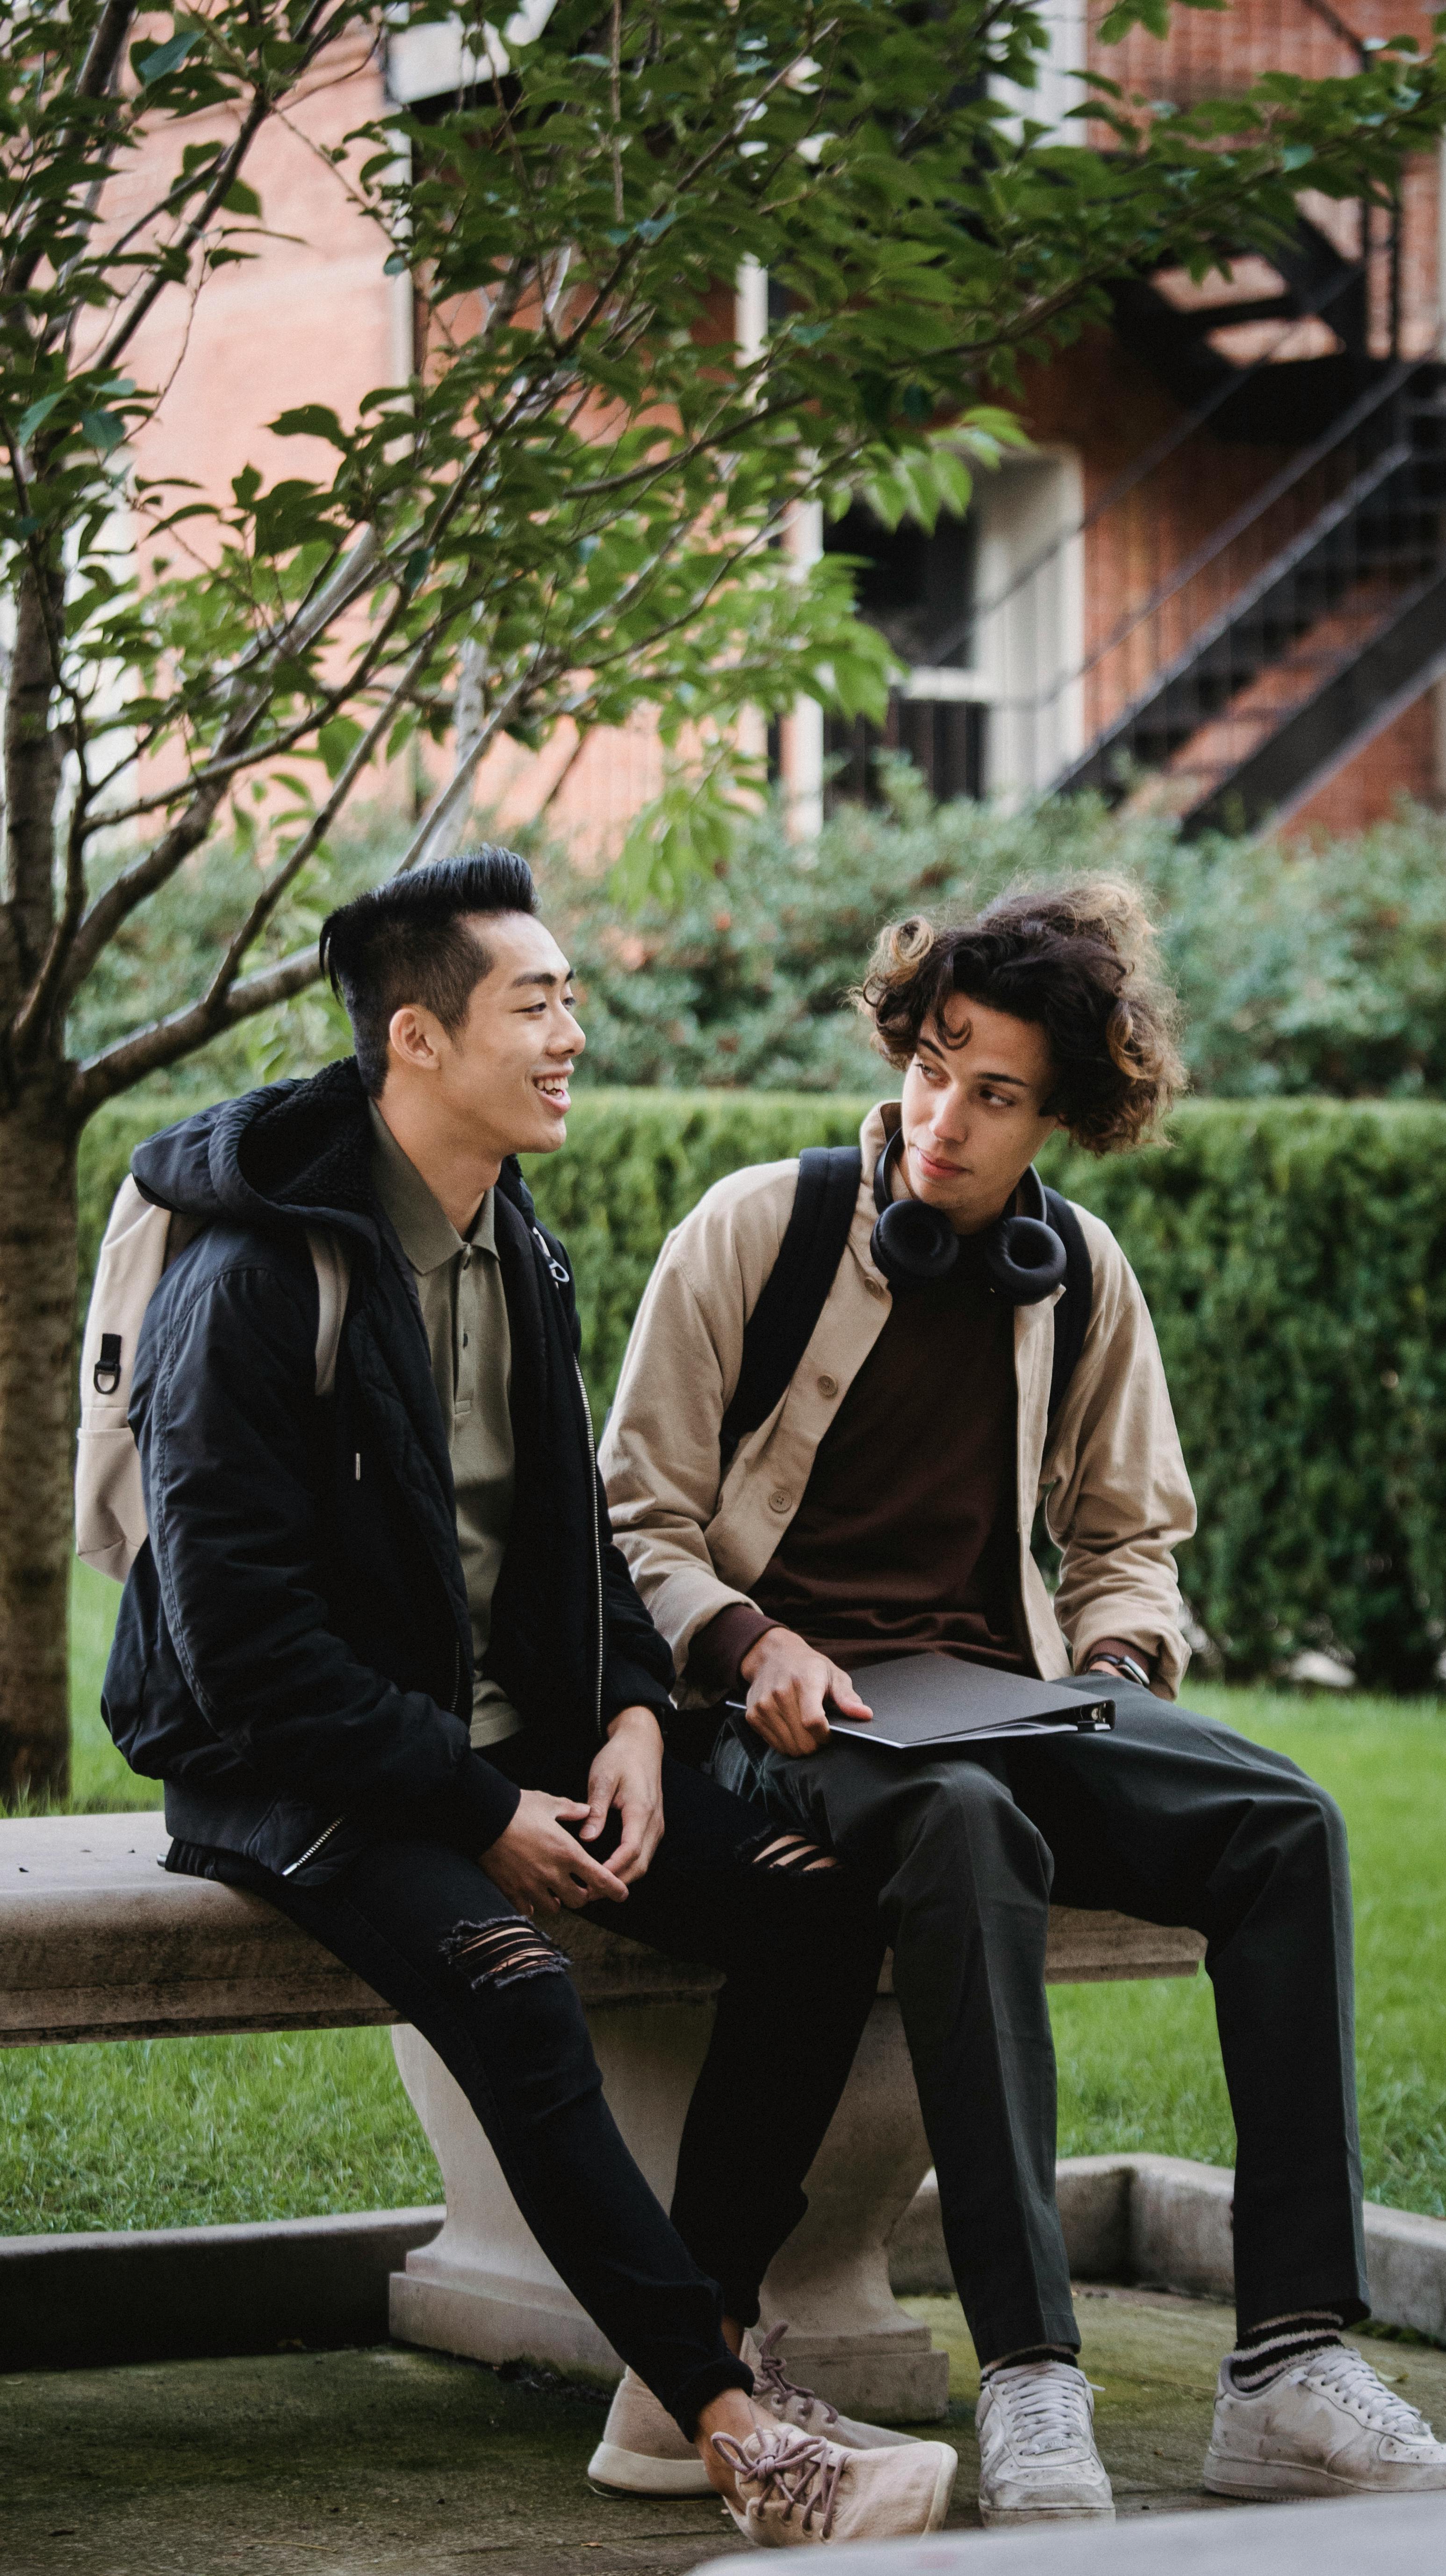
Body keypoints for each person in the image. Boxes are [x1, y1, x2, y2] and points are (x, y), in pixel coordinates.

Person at [598, 882, 1446, 2524]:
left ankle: (1286, 2364)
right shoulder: (756, 1229)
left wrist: (1111, 1679)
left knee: (1282, 1823)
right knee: (959, 1824)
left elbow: (1127, 1538)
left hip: (1006, 1704)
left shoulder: (1075, 1272)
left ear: (1060, 1117)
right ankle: (1030, 2371)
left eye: (995, 1093)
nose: (941, 1120)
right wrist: (748, 1644)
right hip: (788, 1728)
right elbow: (634, 1517)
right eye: (929, 1067)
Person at [100, 847, 958, 2549]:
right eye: (537, 1004)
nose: (574, 1034)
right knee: (516, 1985)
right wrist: (480, 1805)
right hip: (293, 1764)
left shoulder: (518, 1246)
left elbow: (573, 1541)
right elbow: (243, 1648)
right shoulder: (259, 1276)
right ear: (417, 1039)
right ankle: (744, 2443)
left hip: (514, 1744)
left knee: (817, 1904)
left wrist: (633, 1716)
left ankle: (683, 2363)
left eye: (572, 998)